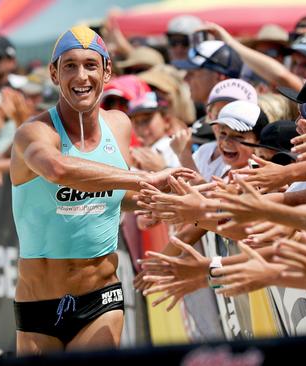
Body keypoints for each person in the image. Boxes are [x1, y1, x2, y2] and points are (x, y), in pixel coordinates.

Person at [10, 26, 191, 354]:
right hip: (38, 302)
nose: (82, 75)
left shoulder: (119, 125)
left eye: (91, 65)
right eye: (70, 66)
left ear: (107, 71)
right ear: (54, 74)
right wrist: (143, 179)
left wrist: (165, 199)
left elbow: (114, 194)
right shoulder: (33, 133)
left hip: (101, 298)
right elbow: (58, 170)